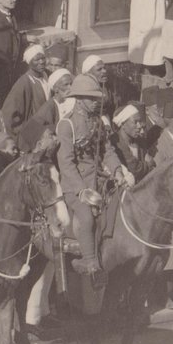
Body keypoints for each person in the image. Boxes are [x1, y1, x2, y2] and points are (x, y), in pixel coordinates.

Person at [56, 74, 125, 277]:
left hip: (100, 179)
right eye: (91, 99)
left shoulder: (99, 122)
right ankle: (89, 261)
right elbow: (66, 163)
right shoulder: (66, 125)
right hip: (75, 185)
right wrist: (82, 190)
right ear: (79, 99)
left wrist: (118, 170)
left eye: (97, 99)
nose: (96, 103)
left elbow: (107, 151)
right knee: (86, 217)